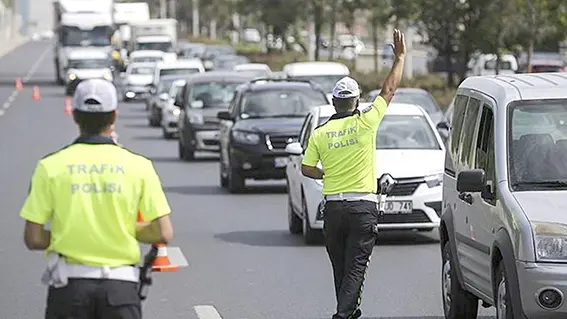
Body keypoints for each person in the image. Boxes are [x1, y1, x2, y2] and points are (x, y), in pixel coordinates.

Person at [20, 78, 174, 319]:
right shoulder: (139, 167)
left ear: (74, 115)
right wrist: (117, 229)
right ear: (114, 116)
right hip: (120, 290)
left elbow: (33, 237)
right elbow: (163, 232)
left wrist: (72, 234)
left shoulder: (49, 167)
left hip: (69, 288)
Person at [301, 29, 406, 319]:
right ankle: (342, 315)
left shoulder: (320, 134)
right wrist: (399, 58)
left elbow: (306, 168)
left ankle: (346, 311)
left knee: (341, 268)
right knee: (356, 267)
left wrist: (325, 173)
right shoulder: (366, 123)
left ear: (334, 103)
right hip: (362, 208)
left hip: (333, 208)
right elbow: (388, 91)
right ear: (357, 102)